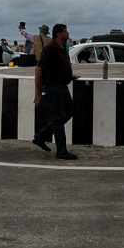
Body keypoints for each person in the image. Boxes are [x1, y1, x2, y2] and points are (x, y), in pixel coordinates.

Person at [32, 23, 80, 160]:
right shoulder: (50, 49)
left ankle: (41, 136)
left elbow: (58, 68)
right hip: (53, 88)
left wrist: (69, 76)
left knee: (68, 113)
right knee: (58, 119)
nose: (68, 33)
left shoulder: (62, 48)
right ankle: (61, 151)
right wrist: (37, 92)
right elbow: (38, 69)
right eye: (65, 31)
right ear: (59, 34)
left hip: (62, 86)